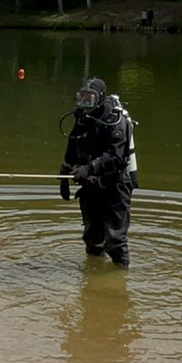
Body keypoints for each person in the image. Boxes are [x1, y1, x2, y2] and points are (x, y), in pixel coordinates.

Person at [58, 76, 135, 267]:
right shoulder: (83, 118)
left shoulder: (115, 122)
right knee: (92, 237)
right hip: (90, 185)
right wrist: (64, 172)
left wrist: (89, 168)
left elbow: (115, 156)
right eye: (81, 97)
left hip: (115, 185)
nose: (84, 103)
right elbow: (73, 142)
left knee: (115, 240)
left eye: (89, 98)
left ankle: (120, 278)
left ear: (99, 98)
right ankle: (93, 277)